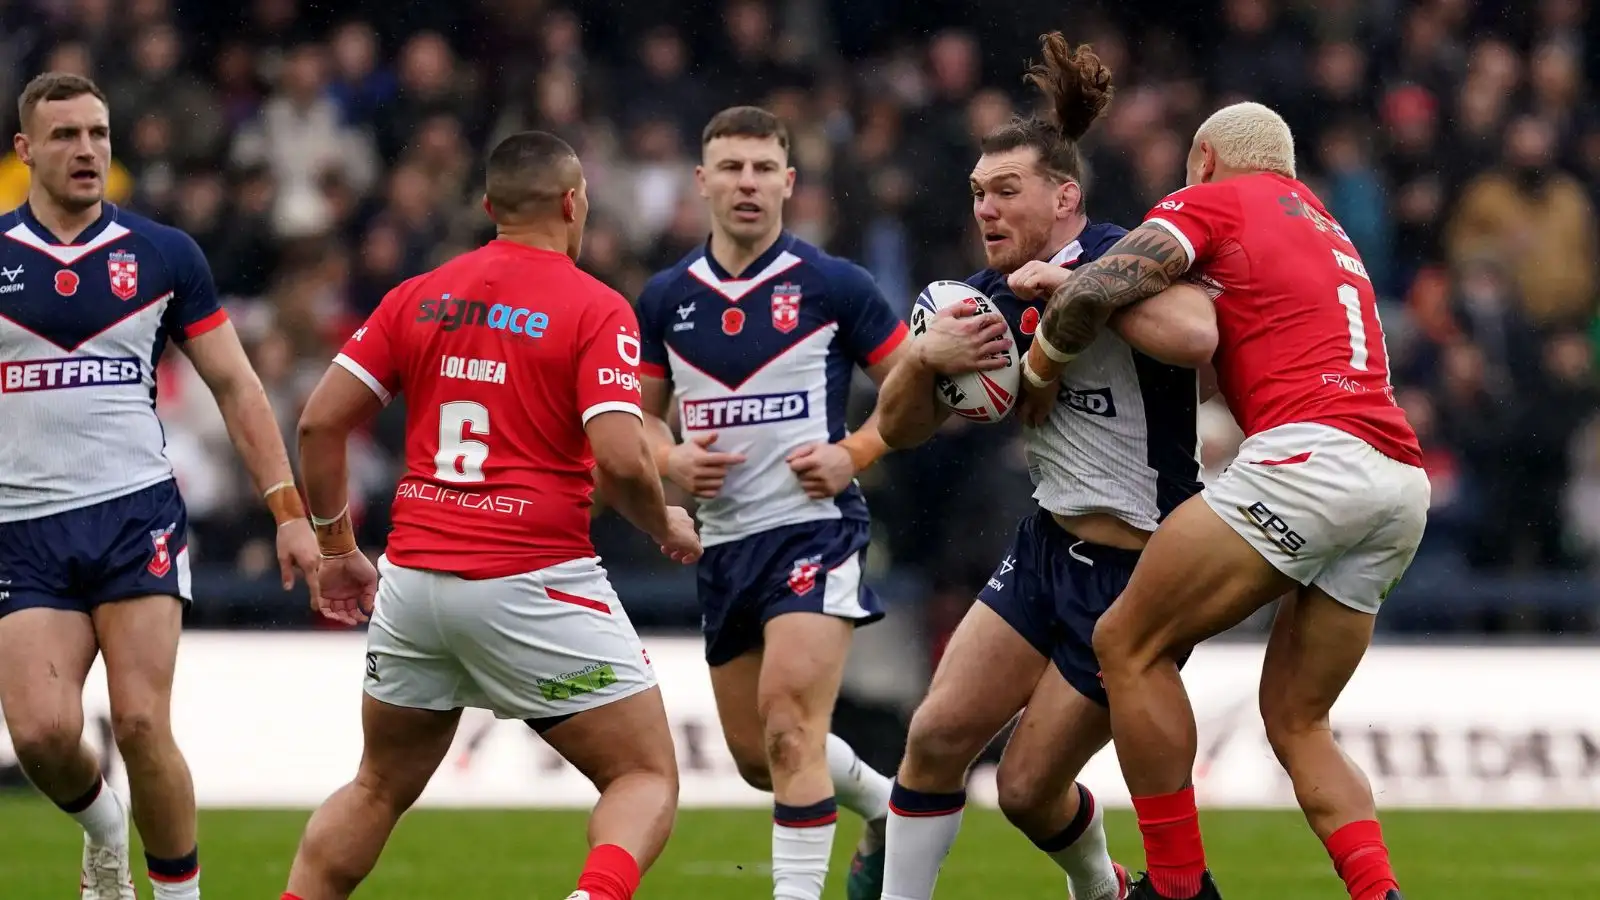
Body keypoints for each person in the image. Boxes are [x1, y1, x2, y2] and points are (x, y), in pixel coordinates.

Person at [1020, 102, 1427, 900]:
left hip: (1310, 459)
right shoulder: (1328, 229)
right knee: (1298, 721)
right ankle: (1381, 893)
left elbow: (1108, 280)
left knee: (1127, 642)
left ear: (1204, 158)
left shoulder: (1213, 199)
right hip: (1395, 482)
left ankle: (1176, 889)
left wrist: (1042, 362)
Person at [282, 131, 702, 900]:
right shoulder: (594, 307)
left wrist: (337, 545)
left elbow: (317, 423)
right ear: (574, 204)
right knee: (643, 774)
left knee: (375, 788)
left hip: (414, 581)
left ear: (489, 207)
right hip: (532, 578)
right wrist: (662, 521)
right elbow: (619, 455)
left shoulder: (420, 294)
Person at [872, 35, 1217, 900]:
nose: (985, 209)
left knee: (1027, 792)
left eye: (1006, 191)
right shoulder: (977, 298)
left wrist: (1074, 294)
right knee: (937, 736)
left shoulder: (1128, 250)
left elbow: (1196, 336)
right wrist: (923, 357)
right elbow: (899, 430)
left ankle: (1108, 892)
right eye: (978, 193)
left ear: (1063, 196)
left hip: (1142, 572)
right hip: (1048, 545)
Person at [0, 72, 320, 900]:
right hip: (21, 525)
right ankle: (103, 828)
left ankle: (180, 896)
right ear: (26, 150)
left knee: (142, 722)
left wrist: (286, 509)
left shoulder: (163, 254)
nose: (87, 150)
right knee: (41, 733)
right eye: (66, 136)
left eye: (99, 134)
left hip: (134, 512)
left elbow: (238, 387)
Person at [635, 105, 911, 900]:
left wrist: (854, 451)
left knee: (791, 727)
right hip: (725, 546)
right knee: (764, 757)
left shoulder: (834, 286)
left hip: (814, 533)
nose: (747, 184)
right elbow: (642, 421)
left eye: (762, 169)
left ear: (789, 183)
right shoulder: (664, 299)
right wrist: (670, 457)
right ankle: (890, 811)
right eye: (731, 168)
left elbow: (914, 395)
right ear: (702, 183)